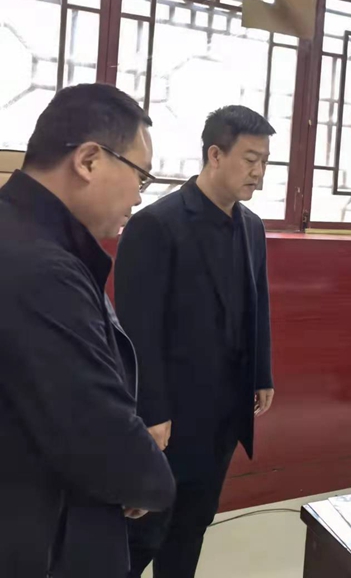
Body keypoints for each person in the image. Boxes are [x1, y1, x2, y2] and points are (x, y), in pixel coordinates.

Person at [0, 84, 176, 577]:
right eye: (141, 175)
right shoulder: (41, 266)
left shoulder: (23, 234)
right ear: (89, 160)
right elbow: (93, 427)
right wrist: (145, 478)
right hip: (40, 534)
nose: (139, 196)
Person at [114, 106, 276, 578]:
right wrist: (151, 411)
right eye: (250, 159)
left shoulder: (251, 226)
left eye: (265, 161)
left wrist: (261, 373)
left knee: (193, 525)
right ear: (215, 155)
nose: (259, 172)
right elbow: (137, 328)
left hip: (223, 412)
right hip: (169, 418)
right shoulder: (156, 224)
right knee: (143, 532)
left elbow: (257, 305)